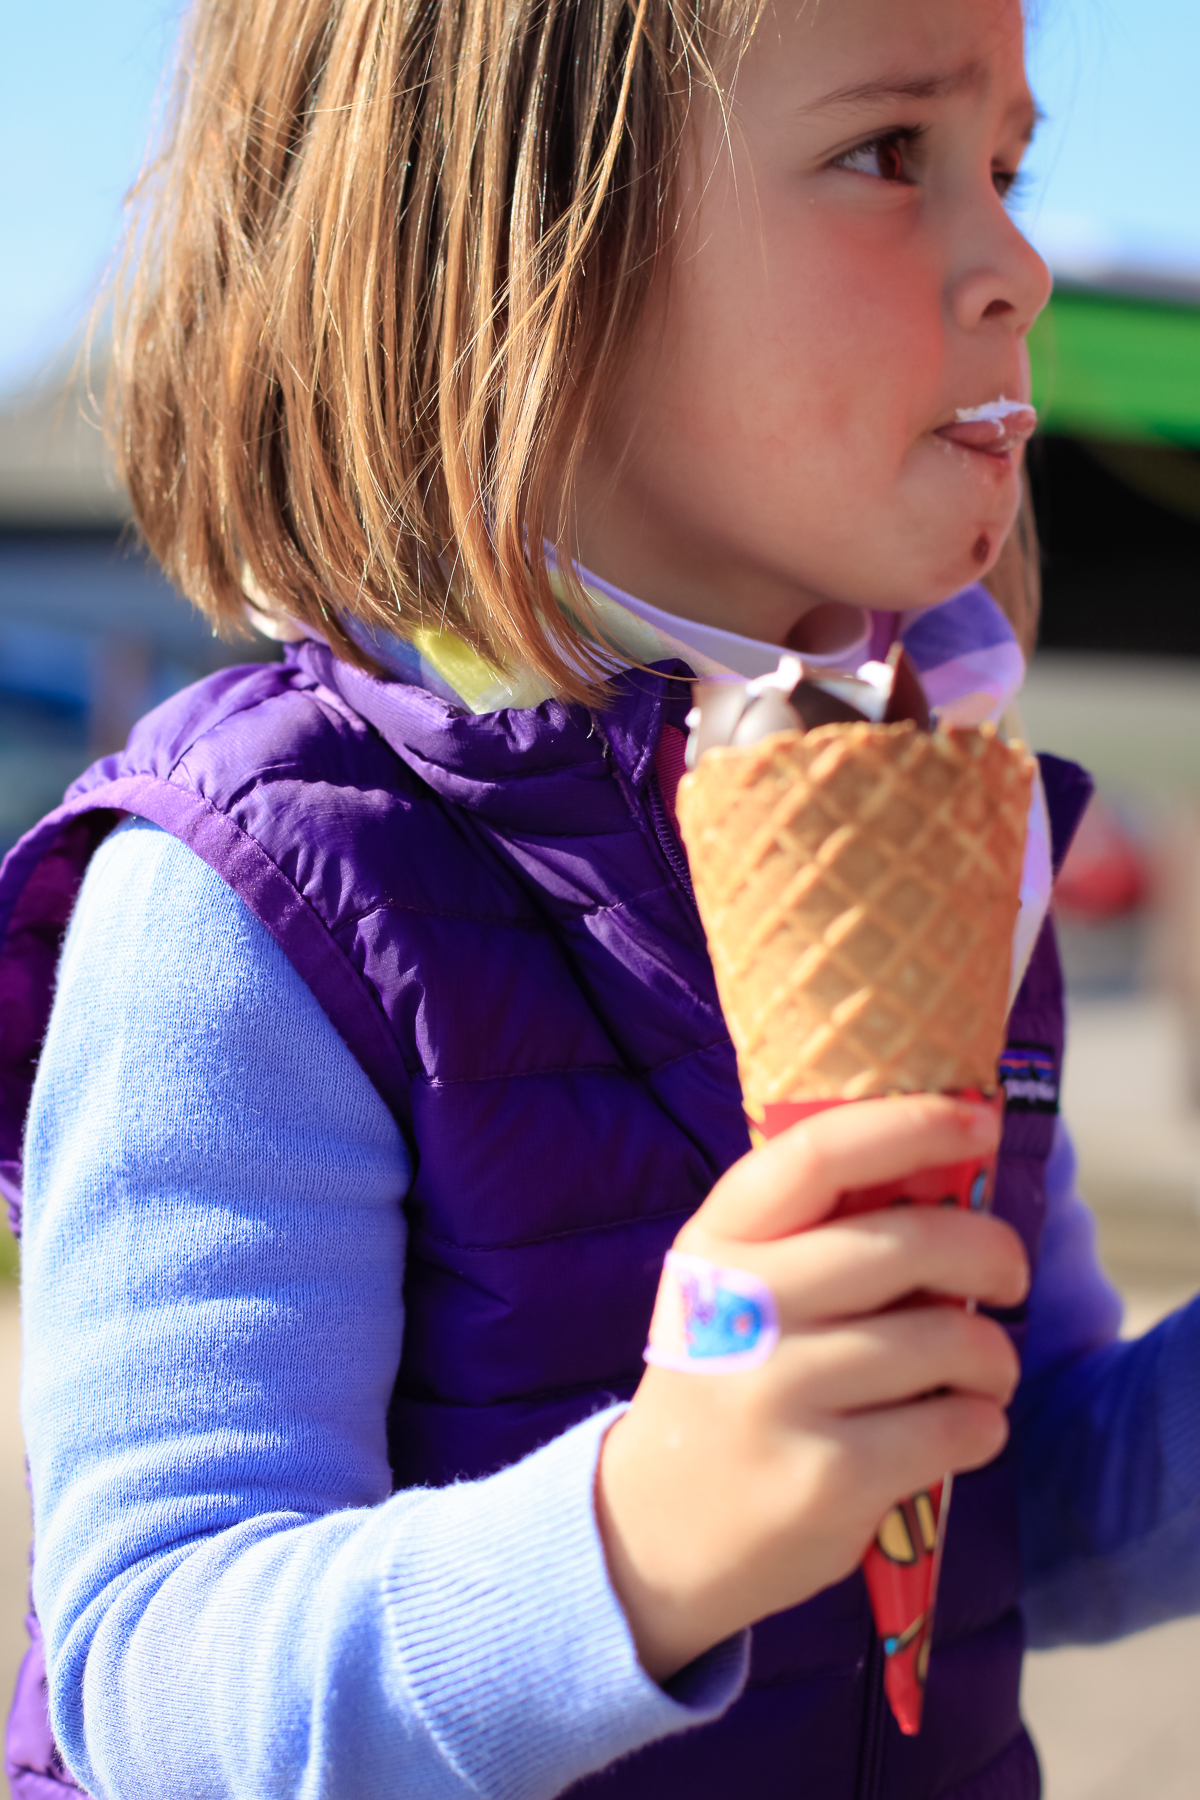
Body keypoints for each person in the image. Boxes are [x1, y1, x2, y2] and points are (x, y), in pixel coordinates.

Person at [3, 0, 1199, 1794]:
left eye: (1008, 168)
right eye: (893, 155)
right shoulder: (256, 884)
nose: (1016, 257)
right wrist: (649, 1533)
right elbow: (154, 1682)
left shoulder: (962, 821)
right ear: (515, 248)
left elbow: (1011, 1513)